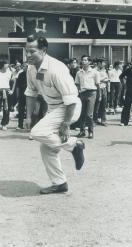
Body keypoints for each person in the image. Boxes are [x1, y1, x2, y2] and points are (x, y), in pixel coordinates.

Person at [25, 34, 85, 194]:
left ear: (43, 50)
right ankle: (60, 183)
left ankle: (74, 145)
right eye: (27, 51)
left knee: (37, 132)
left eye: (32, 51)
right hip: (53, 109)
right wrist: (29, 116)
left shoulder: (56, 68)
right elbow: (31, 93)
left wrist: (65, 125)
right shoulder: (31, 69)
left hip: (69, 107)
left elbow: (71, 99)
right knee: (47, 149)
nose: (28, 55)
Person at [75, 55, 100, 139]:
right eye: (83, 60)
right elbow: (77, 84)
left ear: (89, 62)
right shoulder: (79, 72)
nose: (84, 61)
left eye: (86, 60)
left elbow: (97, 84)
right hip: (82, 94)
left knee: (89, 114)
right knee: (81, 113)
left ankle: (90, 131)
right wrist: (78, 94)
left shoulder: (95, 72)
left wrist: (99, 95)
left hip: (91, 93)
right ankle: (82, 131)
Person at [94, 58, 109, 126]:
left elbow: (107, 79)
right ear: (99, 63)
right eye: (103, 63)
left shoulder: (104, 70)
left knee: (103, 105)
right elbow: (96, 81)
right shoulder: (94, 70)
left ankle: (103, 120)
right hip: (97, 89)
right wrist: (103, 79)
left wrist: (102, 80)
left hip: (104, 88)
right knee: (96, 105)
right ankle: (94, 120)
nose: (104, 64)